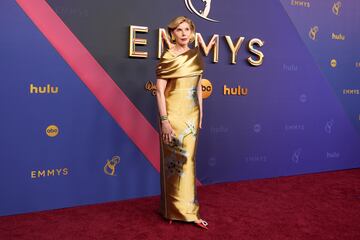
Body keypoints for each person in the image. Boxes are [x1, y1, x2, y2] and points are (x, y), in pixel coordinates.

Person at [155, 16, 213, 230]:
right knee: (175, 163)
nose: (183, 33)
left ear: (192, 32)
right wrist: (164, 120)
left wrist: (201, 113)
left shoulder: (196, 56)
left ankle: (188, 211)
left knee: (188, 162)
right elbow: (159, 91)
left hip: (192, 115)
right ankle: (172, 210)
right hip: (172, 115)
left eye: (187, 29)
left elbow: (198, 87)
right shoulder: (168, 57)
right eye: (179, 30)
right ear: (173, 33)